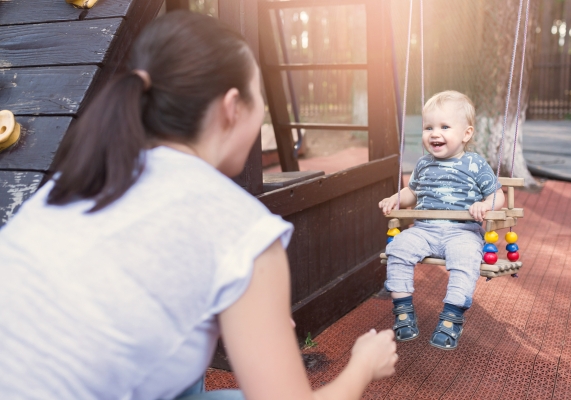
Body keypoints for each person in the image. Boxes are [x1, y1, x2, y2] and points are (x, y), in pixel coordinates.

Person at [0, 11, 397, 400]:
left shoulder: (79, 180)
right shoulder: (240, 227)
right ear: (231, 107)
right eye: (258, 96)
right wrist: (363, 365)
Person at [378, 90, 505, 350]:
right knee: (398, 248)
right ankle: (403, 311)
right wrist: (395, 198)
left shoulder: (474, 164)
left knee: (465, 259)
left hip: (462, 232)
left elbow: (497, 196)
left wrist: (484, 204)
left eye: (444, 127)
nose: (435, 133)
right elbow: (412, 193)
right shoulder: (424, 164)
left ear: (466, 134)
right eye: (428, 127)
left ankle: (451, 316)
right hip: (423, 230)